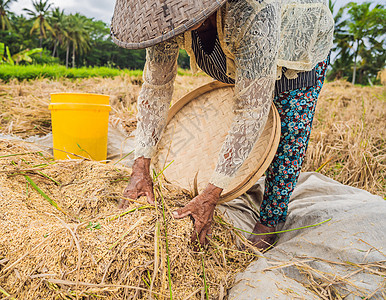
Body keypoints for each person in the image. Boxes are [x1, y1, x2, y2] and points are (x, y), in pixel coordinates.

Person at [111, 0, 334, 251]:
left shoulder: (253, 9)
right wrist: (141, 165)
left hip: (295, 45)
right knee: (234, 112)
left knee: (289, 134)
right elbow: (156, 88)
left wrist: (210, 196)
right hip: (245, 48)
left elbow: (251, 110)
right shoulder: (162, 19)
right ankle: (232, 175)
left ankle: (271, 220)